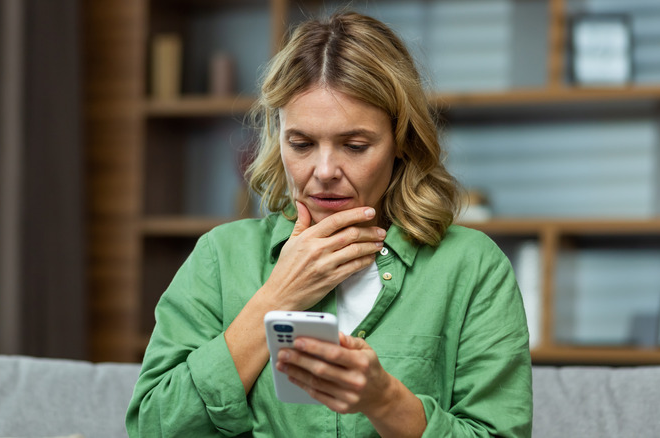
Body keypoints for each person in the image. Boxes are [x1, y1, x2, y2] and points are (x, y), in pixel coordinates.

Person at [127, 10, 532, 438]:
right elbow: (153, 426)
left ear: (401, 142)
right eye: (300, 143)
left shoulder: (471, 268)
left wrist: (386, 400)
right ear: (277, 137)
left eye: (355, 146)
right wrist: (277, 297)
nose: (324, 171)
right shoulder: (221, 257)